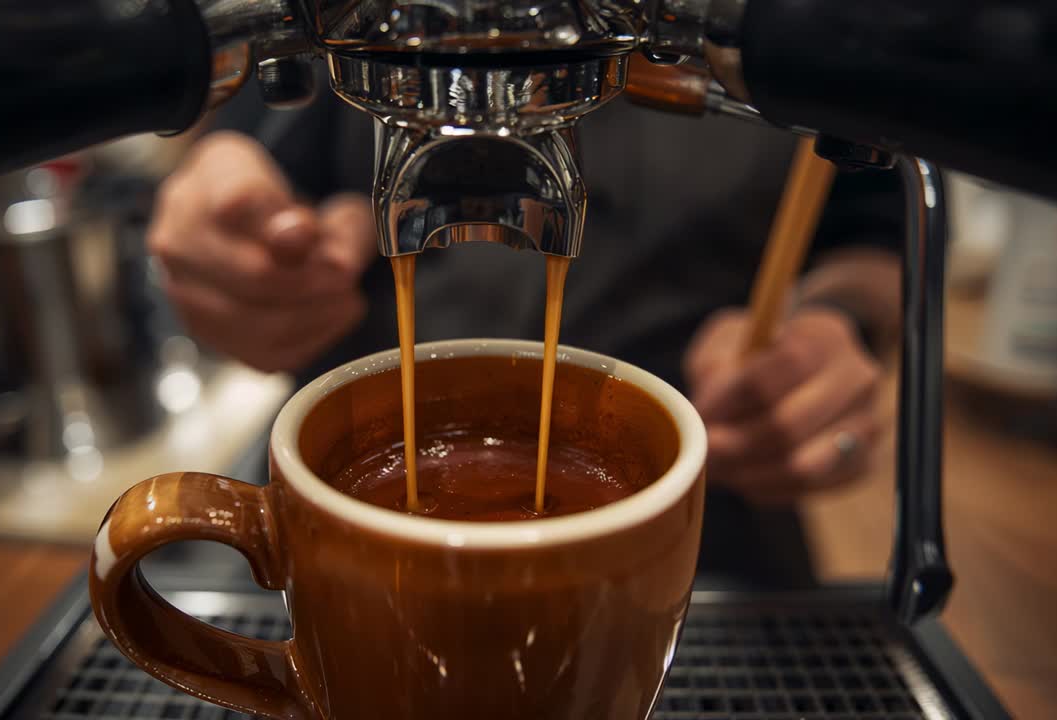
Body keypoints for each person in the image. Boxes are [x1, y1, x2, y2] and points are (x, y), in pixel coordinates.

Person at [146, 78, 904, 588]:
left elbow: (874, 231)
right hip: (349, 508)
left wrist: (833, 323)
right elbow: (247, 133)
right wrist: (228, 224)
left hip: (708, 512)